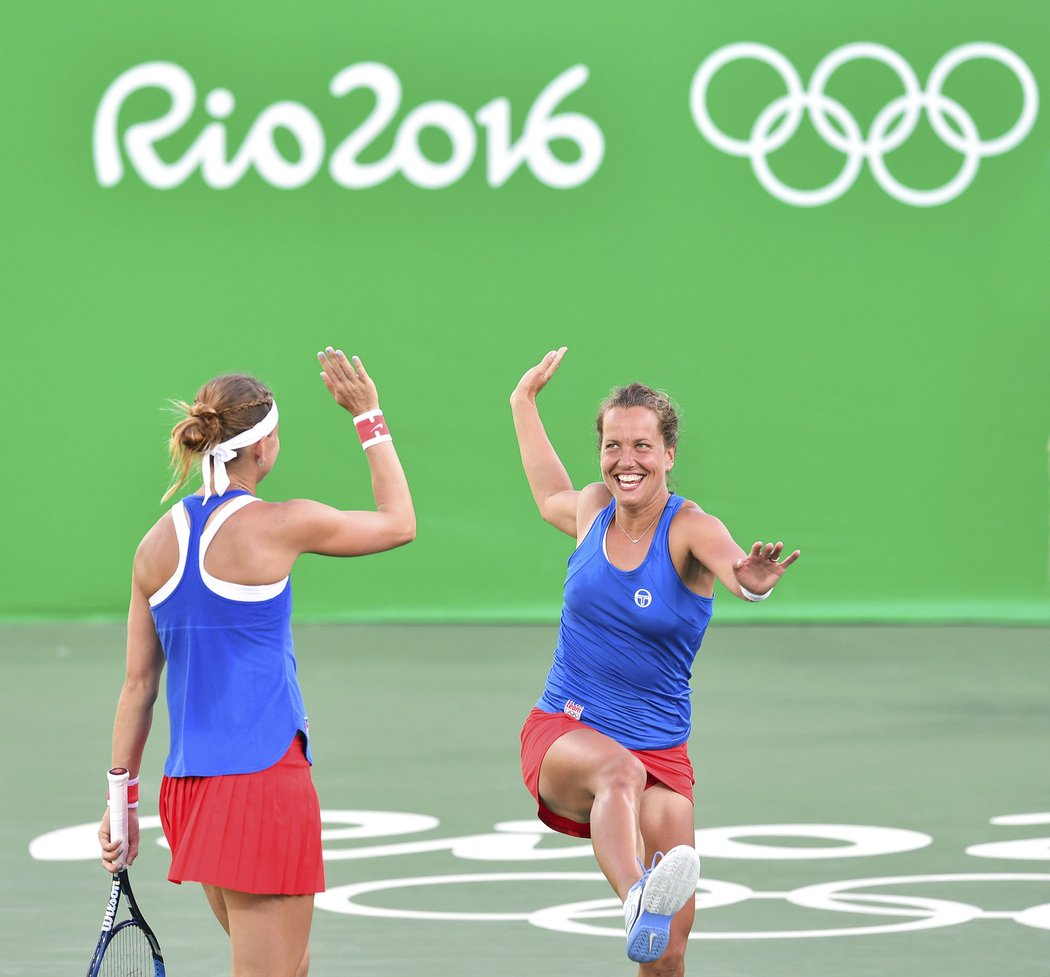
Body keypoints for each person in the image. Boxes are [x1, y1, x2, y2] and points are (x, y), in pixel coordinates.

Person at [98, 347, 415, 977]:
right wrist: (368, 415)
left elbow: (138, 687)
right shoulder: (281, 524)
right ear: (262, 450)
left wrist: (120, 805)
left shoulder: (152, 546)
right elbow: (397, 522)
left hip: (187, 790)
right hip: (262, 783)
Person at [511, 347, 799, 976]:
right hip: (567, 725)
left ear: (669, 454)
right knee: (617, 774)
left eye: (642, 446)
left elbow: (738, 572)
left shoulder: (691, 528)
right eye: (613, 446)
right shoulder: (591, 509)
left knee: (668, 954)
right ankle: (638, 894)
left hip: (662, 748)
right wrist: (522, 402)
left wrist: (754, 579)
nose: (626, 461)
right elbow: (548, 493)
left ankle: (653, 917)